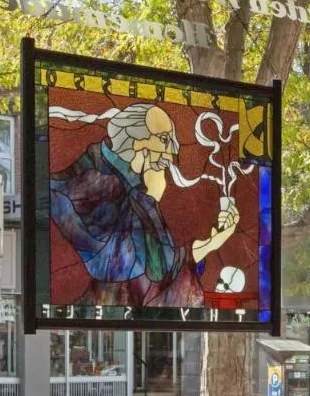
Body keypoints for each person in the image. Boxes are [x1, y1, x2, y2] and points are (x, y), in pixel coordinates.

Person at [50, 103, 238, 308]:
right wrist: (150, 198)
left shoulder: (134, 186)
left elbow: (163, 265)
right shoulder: (91, 182)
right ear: (137, 141)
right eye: (164, 140)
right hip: (101, 314)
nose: (171, 153)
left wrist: (212, 242)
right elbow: (122, 265)